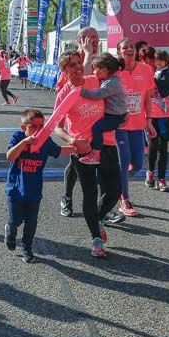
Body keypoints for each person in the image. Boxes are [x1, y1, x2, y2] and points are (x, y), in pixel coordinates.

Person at [54, 51, 123, 256]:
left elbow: (116, 87)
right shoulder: (63, 93)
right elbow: (56, 127)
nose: (76, 67)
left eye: (77, 63)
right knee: (90, 194)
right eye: (71, 65)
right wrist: (72, 140)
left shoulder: (94, 81)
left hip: (106, 144)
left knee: (114, 190)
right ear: (64, 71)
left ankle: (98, 218)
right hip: (82, 149)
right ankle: (96, 238)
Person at [5, 108, 76, 262]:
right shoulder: (18, 137)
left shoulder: (46, 141)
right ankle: (10, 231)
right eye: (33, 127)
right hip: (15, 190)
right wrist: (24, 142)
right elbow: (10, 156)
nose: (38, 131)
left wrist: (79, 147)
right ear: (24, 127)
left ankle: (27, 247)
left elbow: (59, 151)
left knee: (31, 222)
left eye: (41, 126)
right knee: (16, 220)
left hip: (34, 191)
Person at [111, 38, 156, 217]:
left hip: (138, 123)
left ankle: (117, 183)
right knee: (123, 162)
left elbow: (147, 97)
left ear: (135, 51)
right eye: (125, 47)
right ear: (119, 51)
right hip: (119, 124)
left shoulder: (145, 70)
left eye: (131, 47)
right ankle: (124, 199)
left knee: (137, 163)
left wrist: (149, 121)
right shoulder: (115, 71)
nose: (129, 49)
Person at [77, 53, 128, 167]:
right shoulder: (110, 80)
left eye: (95, 69)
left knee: (97, 128)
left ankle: (96, 154)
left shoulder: (111, 83)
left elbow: (98, 94)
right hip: (115, 114)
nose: (94, 73)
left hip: (115, 117)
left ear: (104, 69)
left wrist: (81, 91)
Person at [146, 51, 169, 193]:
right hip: (152, 113)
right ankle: (150, 172)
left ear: (167, 61)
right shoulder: (152, 74)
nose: (159, 63)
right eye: (157, 60)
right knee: (153, 145)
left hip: (166, 113)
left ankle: (162, 178)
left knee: (164, 148)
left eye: (162, 60)